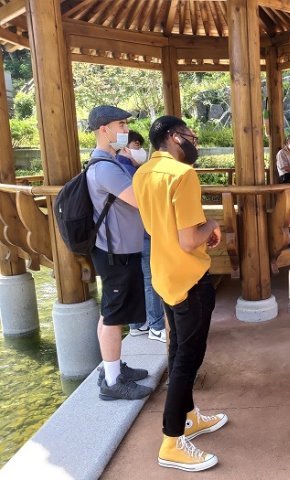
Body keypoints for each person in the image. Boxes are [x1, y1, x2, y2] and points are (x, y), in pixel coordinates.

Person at [133, 115, 227, 472]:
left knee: (177, 351)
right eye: (191, 136)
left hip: (164, 275)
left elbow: (155, 226)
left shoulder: (142, 173)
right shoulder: (182, 175)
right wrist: (212, 225)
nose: (194, 142)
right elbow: (189, 240)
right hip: (189, 278)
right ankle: (172, 441)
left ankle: (188, 417)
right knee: (188, 358)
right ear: (174, 137)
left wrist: (199, 230)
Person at [86, 105, 151, 401]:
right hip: (116, 253)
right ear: (104, 130)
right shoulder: (105, 168)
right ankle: (112, 382)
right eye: (121, 124)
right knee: (113, 316)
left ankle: (110, 367)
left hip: (116, 250)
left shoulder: (108, 162)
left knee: (109, 312)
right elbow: (141, 199)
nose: (126, 130)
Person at [116, 131, 166, 342]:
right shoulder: (132, 172)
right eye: (136, 145)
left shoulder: (116, 168)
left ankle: (137, 324)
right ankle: (157, 325)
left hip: (124, 235)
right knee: (150, 278)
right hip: (142, 232)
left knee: (136, 277)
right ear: (124, 147)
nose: (140, 150)